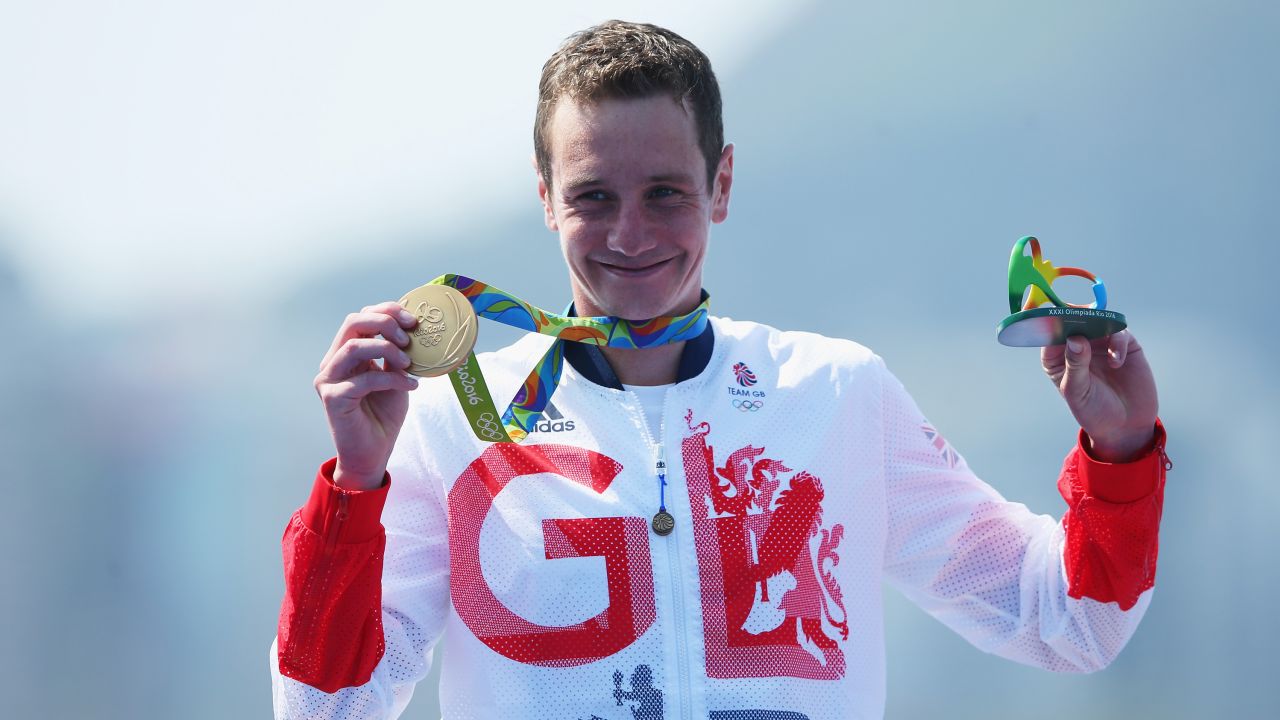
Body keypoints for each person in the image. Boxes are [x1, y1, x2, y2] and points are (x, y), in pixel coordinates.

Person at [271, 20, 1167, 719]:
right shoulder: (448, 419)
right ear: (544, 196)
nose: (630, 234)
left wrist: (1120, 450)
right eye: (593, 197)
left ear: (722, 184)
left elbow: (1069, 622)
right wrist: (355, 487)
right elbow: (324, 707)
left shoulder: (836, 395)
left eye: (665, 191)